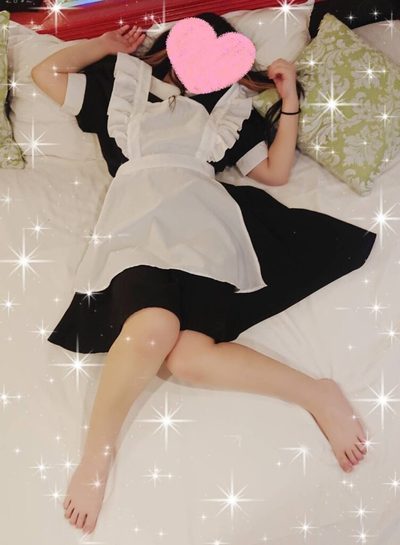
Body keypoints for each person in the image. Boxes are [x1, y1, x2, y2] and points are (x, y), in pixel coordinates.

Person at [31, 12, 376, 535]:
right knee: (152, 329)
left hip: (206, 230)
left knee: (189, 358)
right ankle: (97, 453)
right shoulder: (121, 84)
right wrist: (102, 44)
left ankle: (316, 393)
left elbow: (276, 172)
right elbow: (46, 73)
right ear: (172, 48)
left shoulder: (228, 106)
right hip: (136, 224)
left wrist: (288, 100)